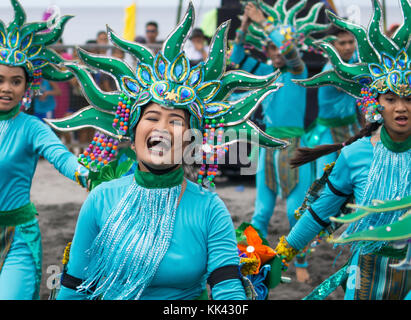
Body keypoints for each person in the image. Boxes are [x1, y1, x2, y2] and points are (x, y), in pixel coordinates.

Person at [48, 3, 288, 300]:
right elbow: (73, 290)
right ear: (132, 137)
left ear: (191, 143)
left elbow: (228, 292)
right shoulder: (101, 199)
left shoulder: (210, 209)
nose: (162, 127)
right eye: (151, 118)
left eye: (175, 121)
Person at [278, 0, 411, 300]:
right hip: (364, 276)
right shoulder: (355, 155)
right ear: (376, 102)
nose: (401, 107)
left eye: (410, 98)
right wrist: (282, 254)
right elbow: (319, 214)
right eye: (391, 98)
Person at [0, 0, 88, 300]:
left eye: (15, 81)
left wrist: (85, 173)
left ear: (27, 87)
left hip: (17, 237)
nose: (7, 88)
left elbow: (61, 157)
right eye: (0, 79)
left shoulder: (32, 127)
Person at [242, 0, 329, 283]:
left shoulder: (298, 71)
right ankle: (251, 264)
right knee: (261, 213)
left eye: (280, 47)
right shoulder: (264, 74)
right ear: (267, 51)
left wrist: (263, 22)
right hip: (267, 149)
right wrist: (244, 25)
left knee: (295, 213)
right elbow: (235, 55)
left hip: (294, 150)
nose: (278, 51)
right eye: (272, 47)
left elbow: (290, 50)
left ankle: (300, 261)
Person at [303, 24, 362, 179]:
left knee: (356, 178)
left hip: (352, 128)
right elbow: (351, 80)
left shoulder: (353, 61)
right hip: (328, 133)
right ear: (332, 46)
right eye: (342, 43)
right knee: (324, 182)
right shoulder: (331, 71)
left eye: (351, 41)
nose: (348, 47)